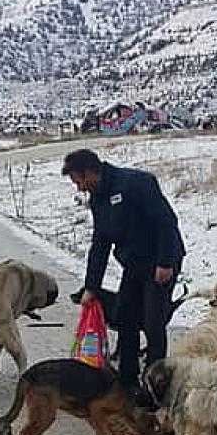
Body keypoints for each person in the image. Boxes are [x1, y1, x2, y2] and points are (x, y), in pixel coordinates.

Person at [62, 148, 186, 391]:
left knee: (153, 323)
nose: (79, 188)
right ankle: (127, 381)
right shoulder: (97, 197)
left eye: (78, 181)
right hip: (134, 264)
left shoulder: (136, 183)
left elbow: (167, 222)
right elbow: (100, 243)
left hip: (160, 261)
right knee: (125, 318)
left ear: (90, 172)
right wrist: (91, 287)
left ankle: (155, 384)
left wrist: (165, 262)